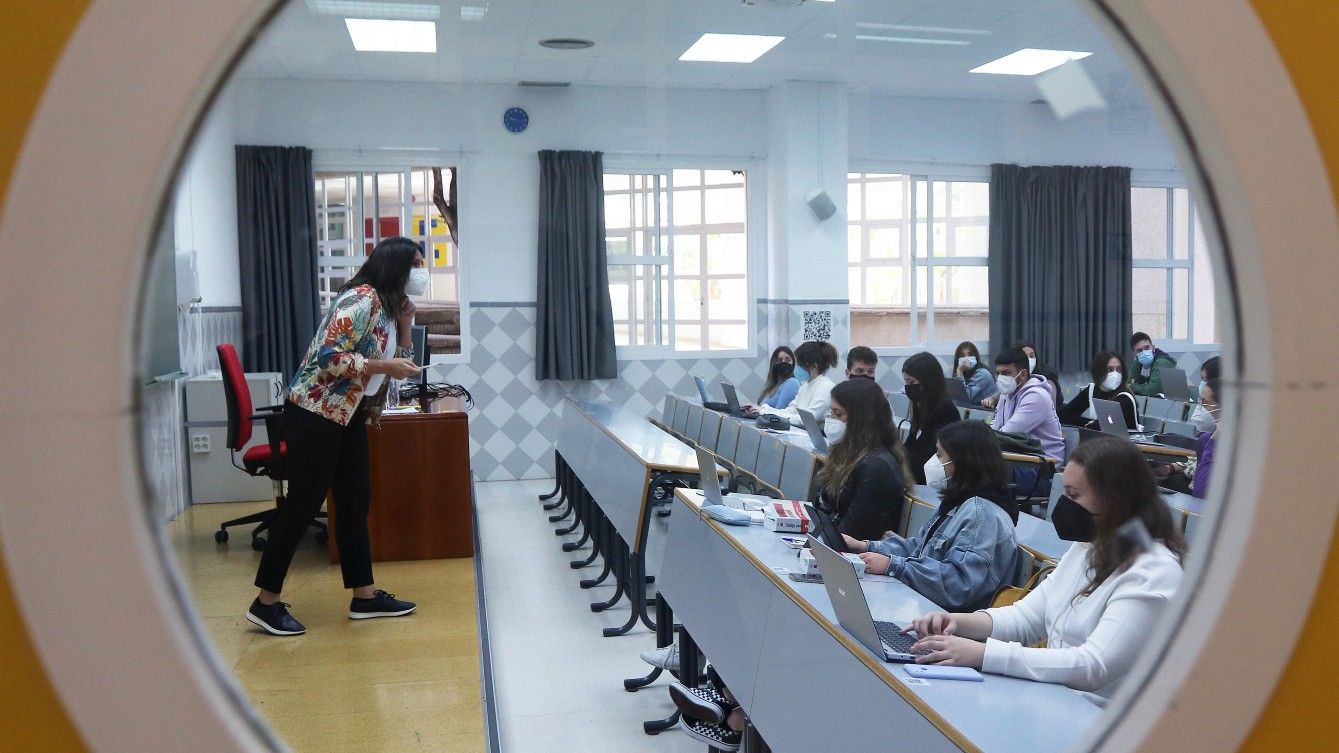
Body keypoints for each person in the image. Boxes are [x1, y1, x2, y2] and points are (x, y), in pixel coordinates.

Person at [907, 437, 1185, 701]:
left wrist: (983, 654)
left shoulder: (1155, 572)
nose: (1065, 505)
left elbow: (1092, 666)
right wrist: (957, 622)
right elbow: (1026, 618)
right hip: (1053, 699)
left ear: (1115, 500)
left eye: (1073, 495)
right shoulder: (1089, 546)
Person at [245, 237, 425, 637]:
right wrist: (384, 364)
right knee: (302, 505)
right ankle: (265, 602)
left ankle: (365, 595)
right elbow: (329, 359)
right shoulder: (361, 300)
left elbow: (400, 366)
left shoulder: (388, 307)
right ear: (395, 266)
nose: (422, 271)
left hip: (347, 415)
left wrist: (407, 323)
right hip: (315, 413)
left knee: (355, 500)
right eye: (416, 263)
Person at [843, 421, 1019, 611]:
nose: (933, 460)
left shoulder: (982, 516)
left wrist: (892, 566)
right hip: (927, 607)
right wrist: (865, 546)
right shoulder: (959, 502)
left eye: (939, 455)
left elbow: (958, 585)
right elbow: (920, 549)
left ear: (963, 462)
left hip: (950, 625)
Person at [816, 378, 911, 540]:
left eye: (837, 414)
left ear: (860, 419)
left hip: (858, 556)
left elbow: (852, 533)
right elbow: (822, 507)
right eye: (831, 412)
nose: (831, 418)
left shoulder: (876, 467)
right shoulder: (845, 453)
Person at [993, 348, 1066, 497]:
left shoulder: (1036, 397)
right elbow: (994, 429)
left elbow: (1005, 435)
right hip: (1019, 461)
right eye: (998, 373)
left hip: (1044, 473)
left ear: (1023, 374)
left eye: (1006, 373)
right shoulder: (1006, 395)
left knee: (983, 475)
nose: (1001, 377)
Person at [744, 340, 838, 428]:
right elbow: (789, 411)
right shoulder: (804, 387)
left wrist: (764, 411)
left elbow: (807, 421)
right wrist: (764, 409)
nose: (795, 367)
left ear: (814, 366)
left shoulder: (825, 387)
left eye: (799, 364)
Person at [900, 352, 961, 484]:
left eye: (912, 382)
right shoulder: (920, 408)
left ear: (927, 381)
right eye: (907, 383)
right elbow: (910, 445)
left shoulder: (945, 411)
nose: (909, 388)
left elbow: (928, 455)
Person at [1060, 351, 1140, 430]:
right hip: (1101, 439)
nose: (1115, 374)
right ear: (1099, 372)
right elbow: (1064, 415)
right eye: (1110, 370)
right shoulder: (1092, 390)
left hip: (1129, 441)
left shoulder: (1125, 397)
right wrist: (1090, 423)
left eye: (1119, 370)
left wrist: (1092, 424)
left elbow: (1105, 425)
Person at [1129, 332, 1177, 397]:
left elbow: (1153, 390)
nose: (1144, 352)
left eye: (1147, 348)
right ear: (1134, 354)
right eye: (1139, 350)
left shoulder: (1163, 362)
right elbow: (1127, 381)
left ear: (1153, 348)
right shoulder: (1138, 362)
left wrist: (1133, 387)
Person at [952, 341, 997, 405]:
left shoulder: (983, 373)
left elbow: (965, 398)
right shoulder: (964, 373)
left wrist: (959, 373)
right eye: (962, 355)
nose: (966, 358)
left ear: (976, 356)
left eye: (970, 355)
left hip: (985, 411)